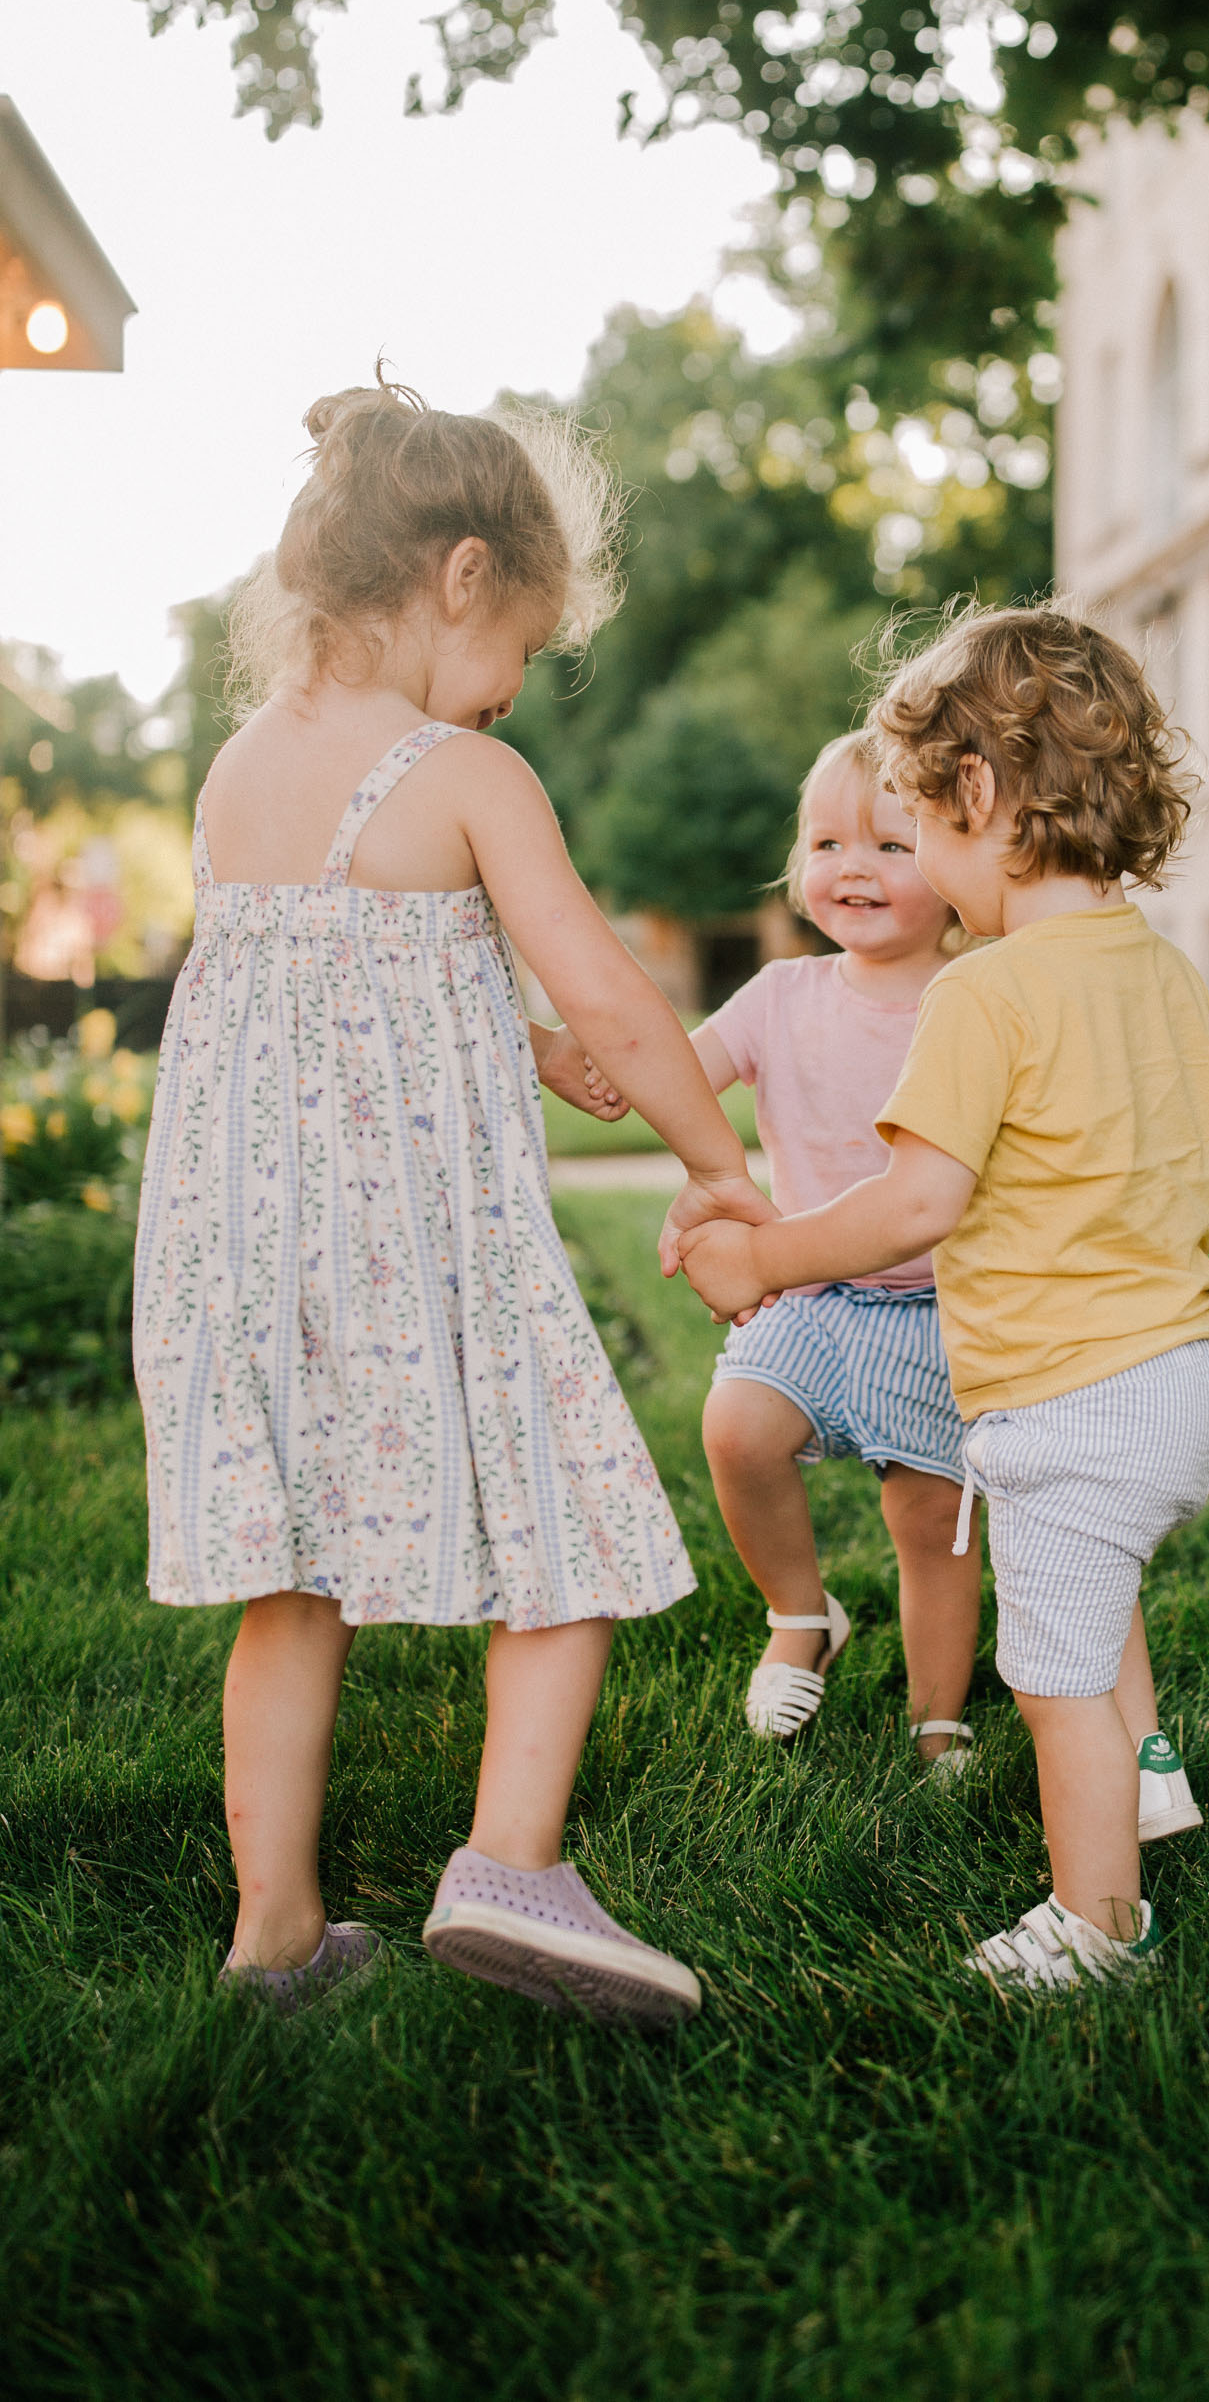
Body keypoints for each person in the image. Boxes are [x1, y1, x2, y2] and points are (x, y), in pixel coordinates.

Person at [134, 378, 770, 2023]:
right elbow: (627, 1001)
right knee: (569, 1529)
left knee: (293, 1584)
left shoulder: (237, 773)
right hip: (431, 1259)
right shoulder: (471, 781)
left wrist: (527, 1045)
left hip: (257, 1269)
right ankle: (508, 1862)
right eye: (526, 650)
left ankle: (272, 1929)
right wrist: (721, 1166)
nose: (516, 694)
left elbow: (347, 987)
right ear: (464, 576)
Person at [678, 606, 1209, 1993]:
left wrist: (763, 1258)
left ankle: (1098, 1923)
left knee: (1049, 1672)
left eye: (918, 818)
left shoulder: (984, 998)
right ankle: (1151, 1767)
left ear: (978, 795)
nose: (913, 850)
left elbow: (916, 1204)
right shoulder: (1159, 970)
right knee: (1097, 1601)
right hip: (1185, 1368)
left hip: (1069, 1395)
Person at [690, 730, 980, 1763]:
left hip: (937, 1310)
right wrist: (581, 1059)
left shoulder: (973, 1004)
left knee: (931, 1523)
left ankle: (939, 1724)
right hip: (807, 1293)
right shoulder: (781, 996)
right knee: (737, 1431)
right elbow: (682, 1076)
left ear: (957, 869)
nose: (850, 866)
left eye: (892, 846)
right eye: (825, 842)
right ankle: (801, 1616)